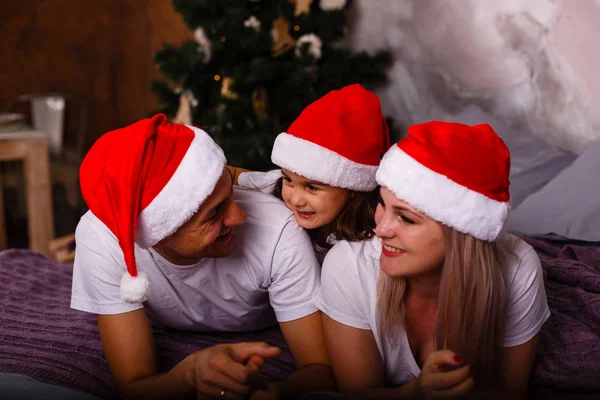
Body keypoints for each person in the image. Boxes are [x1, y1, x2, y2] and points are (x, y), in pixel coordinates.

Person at [70, 114, 335, 400]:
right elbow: (135, 384)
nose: (239, 216)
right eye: (213, 214)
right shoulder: (102, 237)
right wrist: (189, 373)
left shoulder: (278, 230)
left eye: (230, 194)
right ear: (160, 232)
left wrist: (274, 392)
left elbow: (322, 369)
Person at [315, 121, 550, 399]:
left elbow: (512, 392)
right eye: (382, 204)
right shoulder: (349, 266)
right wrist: (416, 393)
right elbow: (355, 392)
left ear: (460, 235)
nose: (381, 229)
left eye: (406, 218)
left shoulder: (518, 269)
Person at [232, 84, 390, 264]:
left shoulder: (369, 245)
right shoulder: (275, 184)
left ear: (353, 188)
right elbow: (233, 175)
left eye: (312, 187)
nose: (297, 200)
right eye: (288, 179)